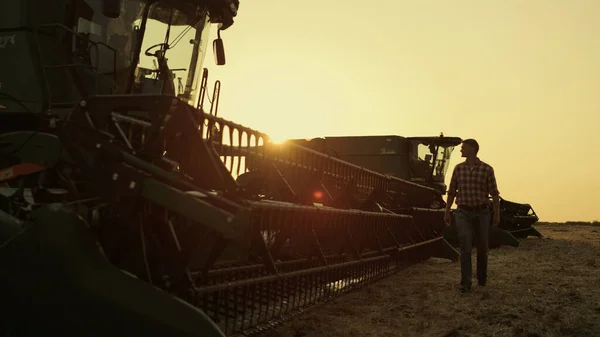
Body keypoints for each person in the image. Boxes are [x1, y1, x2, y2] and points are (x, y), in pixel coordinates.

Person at [443, 139, 500, 293]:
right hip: (462, 212)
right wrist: (447, 211)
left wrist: (496, 214)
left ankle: (482, 279)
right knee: (465, 245)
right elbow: (452, 191)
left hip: (482, 212)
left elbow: (494, 194)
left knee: (482, 247)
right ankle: (466, 283)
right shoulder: (458, 169)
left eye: (463, 148)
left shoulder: (487, 169)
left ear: (472, 149)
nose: (461, 150)